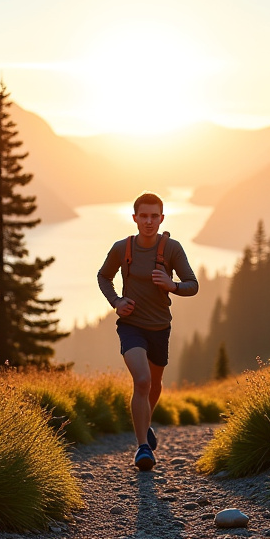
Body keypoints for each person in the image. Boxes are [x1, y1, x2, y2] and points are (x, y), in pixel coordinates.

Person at [97, 192, 199, 470]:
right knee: (141, 381)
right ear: (135, 218)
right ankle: (143, 448)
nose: (149, 221)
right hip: (131, 327)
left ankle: (146, 423)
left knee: (154, 385)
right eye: (144, 216)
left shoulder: (172, 249)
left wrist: (171, 284)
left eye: (155, 216)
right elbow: (103, 276)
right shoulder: (122, 248)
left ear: (162, 218)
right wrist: (116, 302)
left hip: (160, 328)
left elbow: (192, 284)